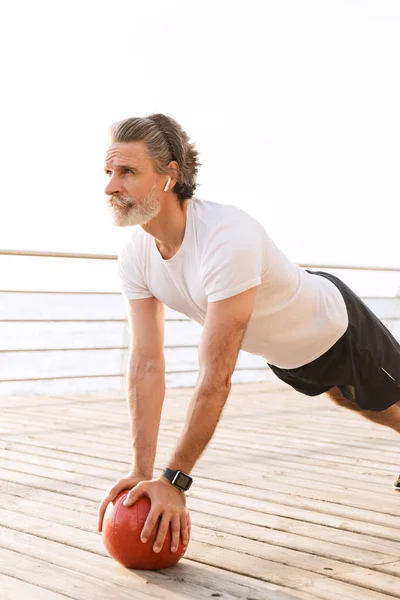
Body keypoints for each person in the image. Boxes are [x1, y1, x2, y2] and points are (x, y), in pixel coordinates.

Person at [97, 113, 400, 554]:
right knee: (349, 398)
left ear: (169, 177)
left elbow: (215, 377)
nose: (110, 187)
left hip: (336, 325)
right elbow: (146, 363)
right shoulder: (136, 258)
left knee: (389, 403)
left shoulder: (226, 238)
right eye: (108, 172)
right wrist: (143, 470)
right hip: (288, 355)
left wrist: (175, 480)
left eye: (127, 172)